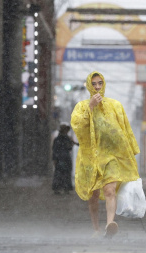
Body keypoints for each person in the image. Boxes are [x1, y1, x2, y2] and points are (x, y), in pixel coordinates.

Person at [71, 71, 140, 238]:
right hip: (90, 157)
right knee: (93, 195)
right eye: (94, 84)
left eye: (100, 83)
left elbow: (125, 129)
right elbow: (78, 125)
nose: (97, 87)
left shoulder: (115, 105)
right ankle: (96, 227)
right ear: (89, 85)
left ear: (104, 85)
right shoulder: (81, 107)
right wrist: (91, 107)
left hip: (111, 157)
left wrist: (130, 150)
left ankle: (110, 223)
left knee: (109, 190)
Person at [52, 123, 78, 195]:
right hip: (62, 158)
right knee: (61, 173)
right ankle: (62, 188)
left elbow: (56, 149)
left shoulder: (62, 139)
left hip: (63, 158)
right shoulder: (62, 139)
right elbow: (56, 149)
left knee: (62, 173)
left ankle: (61, 188)